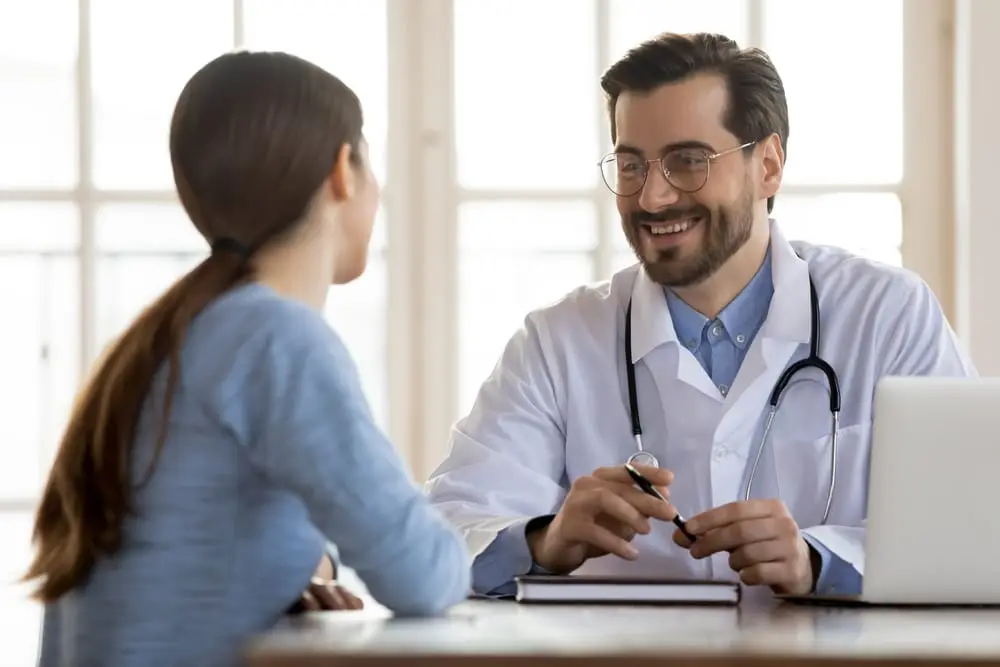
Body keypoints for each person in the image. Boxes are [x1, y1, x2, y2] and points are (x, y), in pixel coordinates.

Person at [424, 32, 975, 600]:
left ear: (768, 165)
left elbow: (973, 527)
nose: (653, 197)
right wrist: (543, 538)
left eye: (688, 162)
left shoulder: (888, 316)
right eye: (631, 164)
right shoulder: (556, 342)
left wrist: (819, 560)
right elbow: (441, 537)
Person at [24, 50, 471, 667]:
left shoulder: (169, 338)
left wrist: (293, 566)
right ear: (343, 170)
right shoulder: (277, 338)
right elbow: (426, 574)